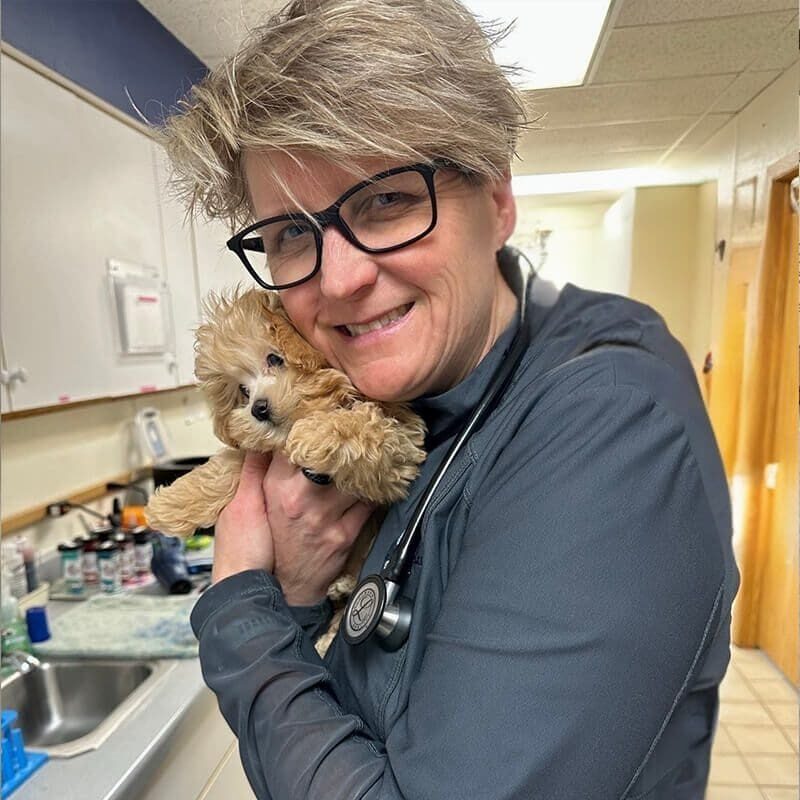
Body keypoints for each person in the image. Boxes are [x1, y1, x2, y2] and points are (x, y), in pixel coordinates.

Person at [160, 1, 739, 797]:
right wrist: (293, 596)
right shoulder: (415, 407)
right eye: (291, 233)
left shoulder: (614, 422)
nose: (338, 280)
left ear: (497, 201)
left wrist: (241, 610)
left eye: (388, 199)